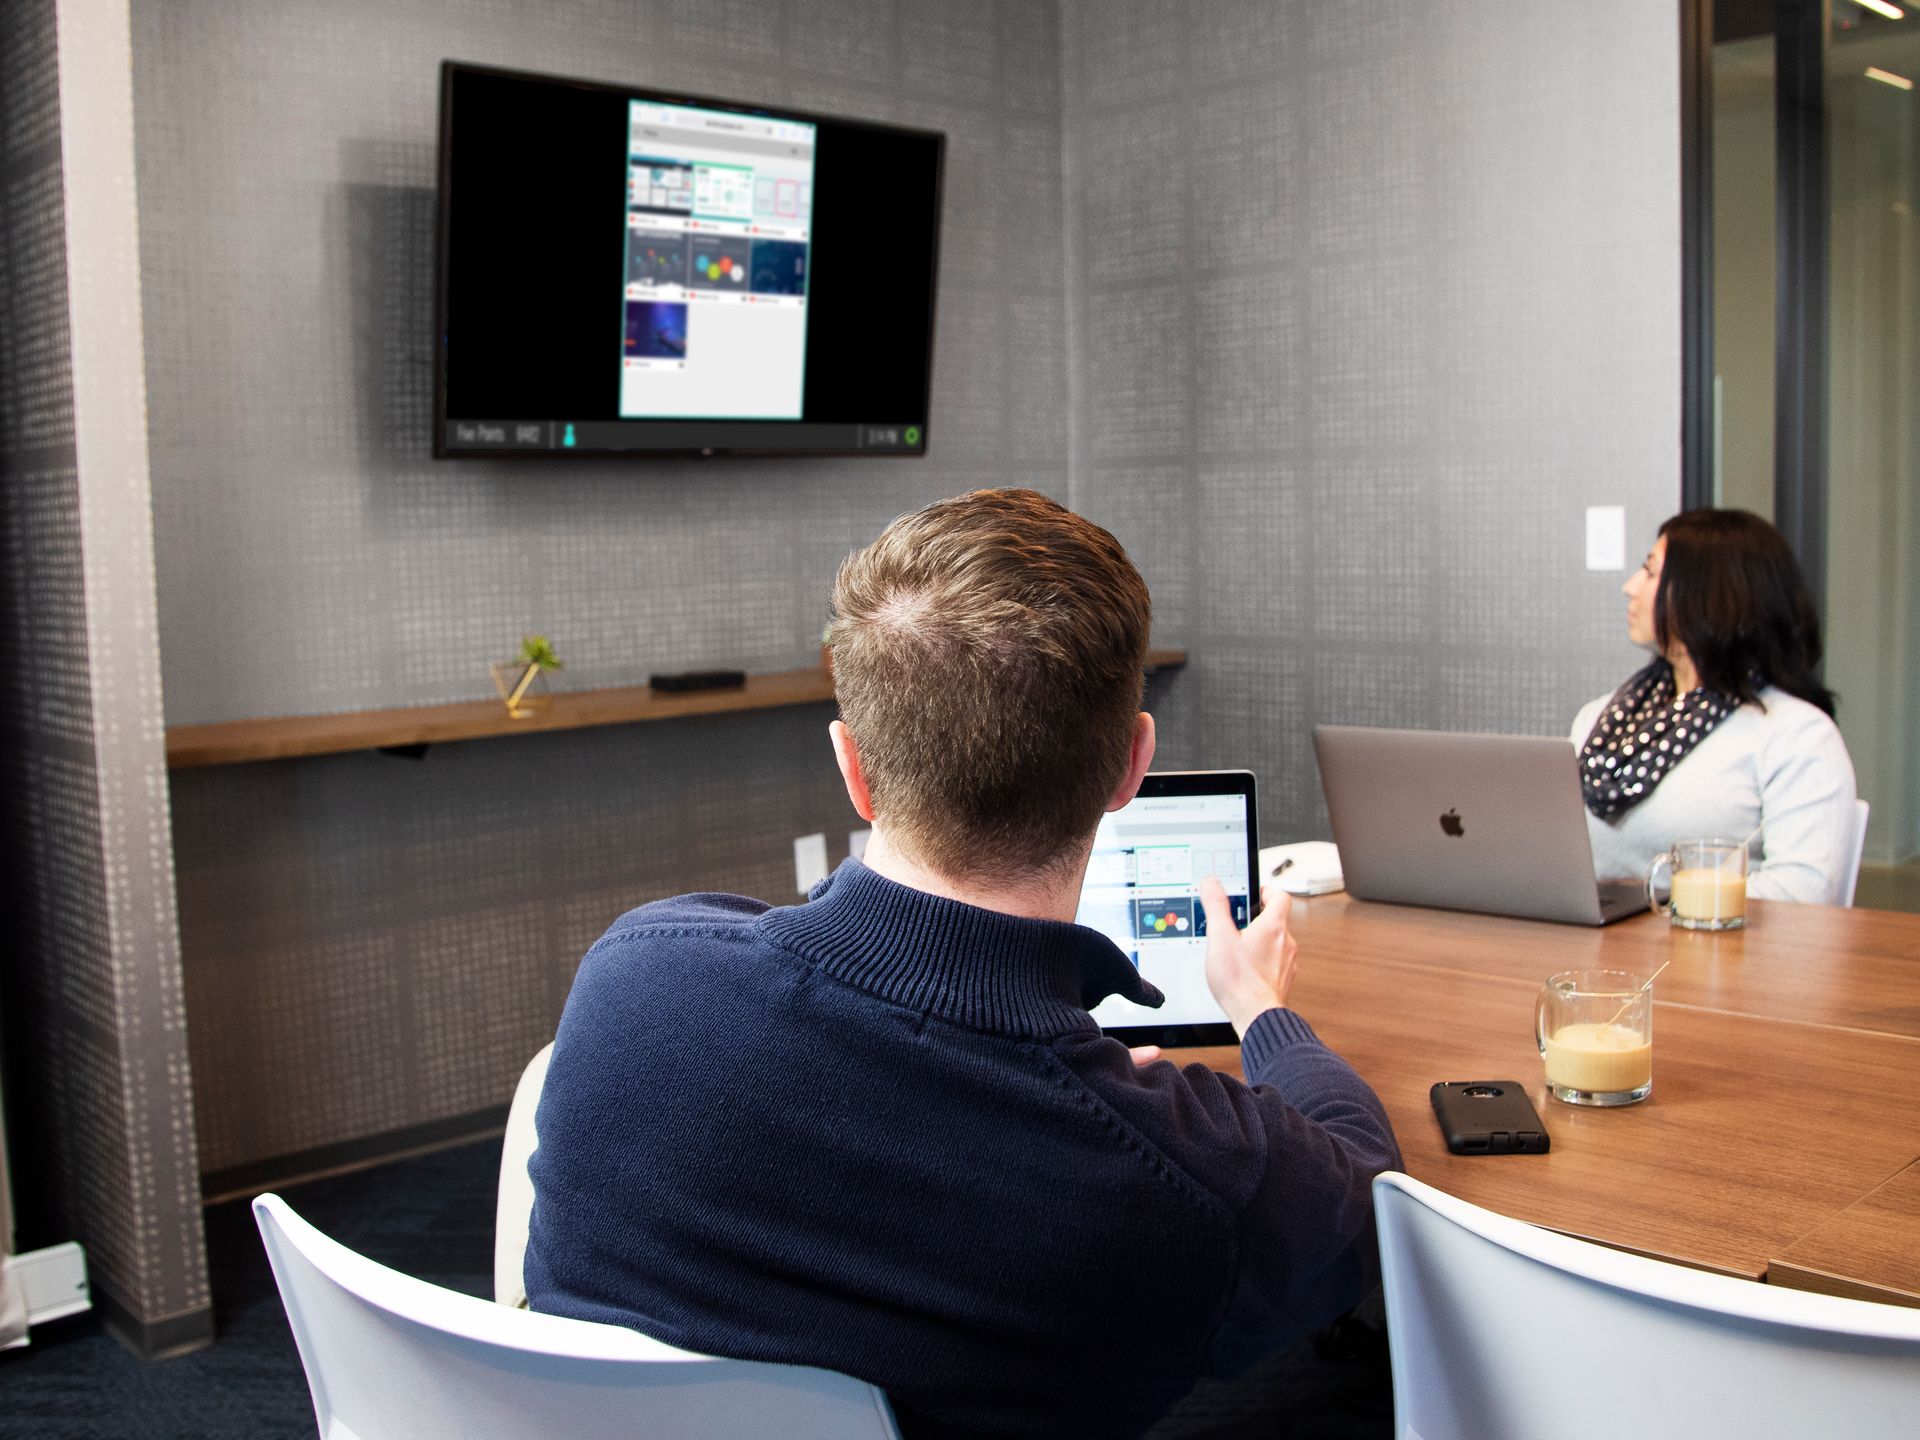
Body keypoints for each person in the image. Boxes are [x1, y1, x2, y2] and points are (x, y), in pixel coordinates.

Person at [525, 488, 1400, 1440]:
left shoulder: (634, 974)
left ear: (853, 768)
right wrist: (1260, 1007)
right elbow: (1365, 1197)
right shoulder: (1175, 1182)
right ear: (1131, 766)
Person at [1571, 508, 1858, 904]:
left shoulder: (1797, 735)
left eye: (1651, 572)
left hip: (1720, 960)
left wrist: (1653, 908)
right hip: (1592, 960)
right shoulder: (1598, 718)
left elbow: (1804, 893)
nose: (1629, 586)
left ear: (1712, 596)